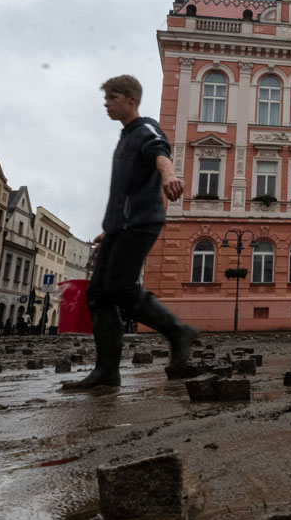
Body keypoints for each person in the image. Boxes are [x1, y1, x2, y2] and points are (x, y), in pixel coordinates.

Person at [64, 75, 198, 390]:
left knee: (121, 289)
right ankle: (107, 371)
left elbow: (160, 151)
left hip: (141, 221)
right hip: (120, 226)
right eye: (106, 98)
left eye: (112, 97)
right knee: (97, 295)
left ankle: (178, 331)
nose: (107, 103)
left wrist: (169, 175)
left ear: (131, 99)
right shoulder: (125, 138)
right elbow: (124, 188)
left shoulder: (144, 129)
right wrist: (107, 231)